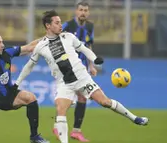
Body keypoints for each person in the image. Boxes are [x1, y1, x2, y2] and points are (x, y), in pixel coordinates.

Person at [15, 10, 149, 143]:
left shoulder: (68, 37)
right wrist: (17, 83)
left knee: (105, 102)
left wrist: (95, 59)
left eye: (60, 22)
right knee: (60, 109)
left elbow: (83, 49)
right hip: (64, 83)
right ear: (48, 26)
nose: (60, 25)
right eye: (57, 23)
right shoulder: (41, 46)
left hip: (82, 78)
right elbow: (29, 66)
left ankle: (135, 118)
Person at [52, 2, 96, 142]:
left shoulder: (90, 27)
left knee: (82, 98)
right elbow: (54, 38)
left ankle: (75, 131)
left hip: (82, 68)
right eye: (81, 10)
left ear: (88, 13)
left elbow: (89, 46)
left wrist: (92, 65)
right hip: (67, 68)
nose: (83, 12)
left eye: (86, 10)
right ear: (76, 11)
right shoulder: (67, 25)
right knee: (69, 99)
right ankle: (59, 126)